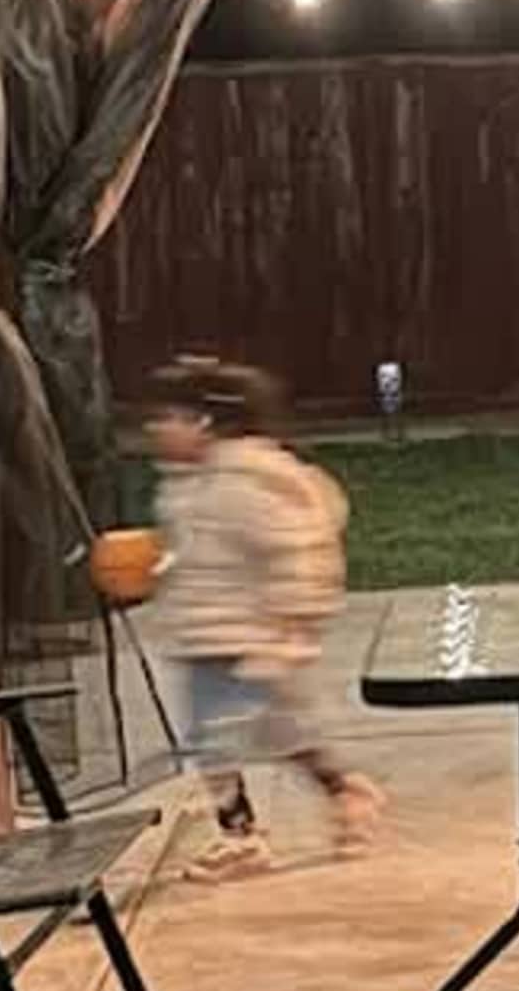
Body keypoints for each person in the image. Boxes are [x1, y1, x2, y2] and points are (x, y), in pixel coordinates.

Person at [135, 357, 379, 877]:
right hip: (204, 636)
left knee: (217, 744)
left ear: (203, 422)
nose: (156, 429)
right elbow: (197, 555)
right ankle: (344, 790)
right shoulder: (184, 485)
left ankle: (242, 836)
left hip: (248, 639)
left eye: (168, 417)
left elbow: (298, 553)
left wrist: (293, 624)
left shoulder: (246, 483)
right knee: (276, 735)